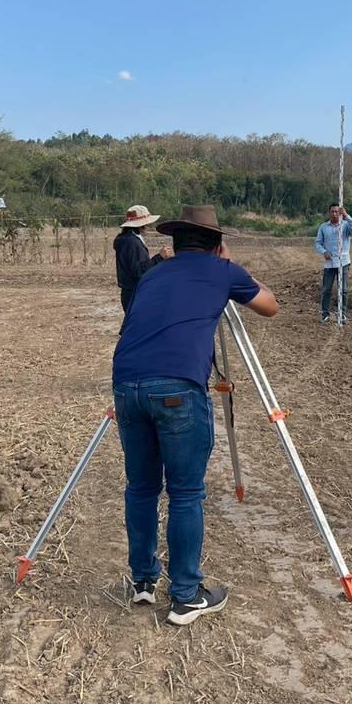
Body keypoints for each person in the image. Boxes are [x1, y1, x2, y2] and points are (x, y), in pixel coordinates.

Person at [112, 206, 279, 625]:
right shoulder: (222, 270)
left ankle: (143, 581)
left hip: (126, 384)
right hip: (177, 388)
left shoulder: (153, 274)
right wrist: (231, 268)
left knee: (142, 487)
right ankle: (186, 595)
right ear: (217, 244)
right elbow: (270, 306)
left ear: (173, 243)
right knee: (185, 493)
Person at [313, 203, 352, 323]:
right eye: (332, 212)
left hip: (343, 262)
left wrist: (346, 215)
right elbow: (318, 243)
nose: (334, 214)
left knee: (343, 289)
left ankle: (342, 314)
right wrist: (324, 252)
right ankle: (325, 314)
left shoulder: (345, 226)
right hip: (329, 263)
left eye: (336, 212)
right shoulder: (323, 227)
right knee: (327, 289)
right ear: (329, 213)